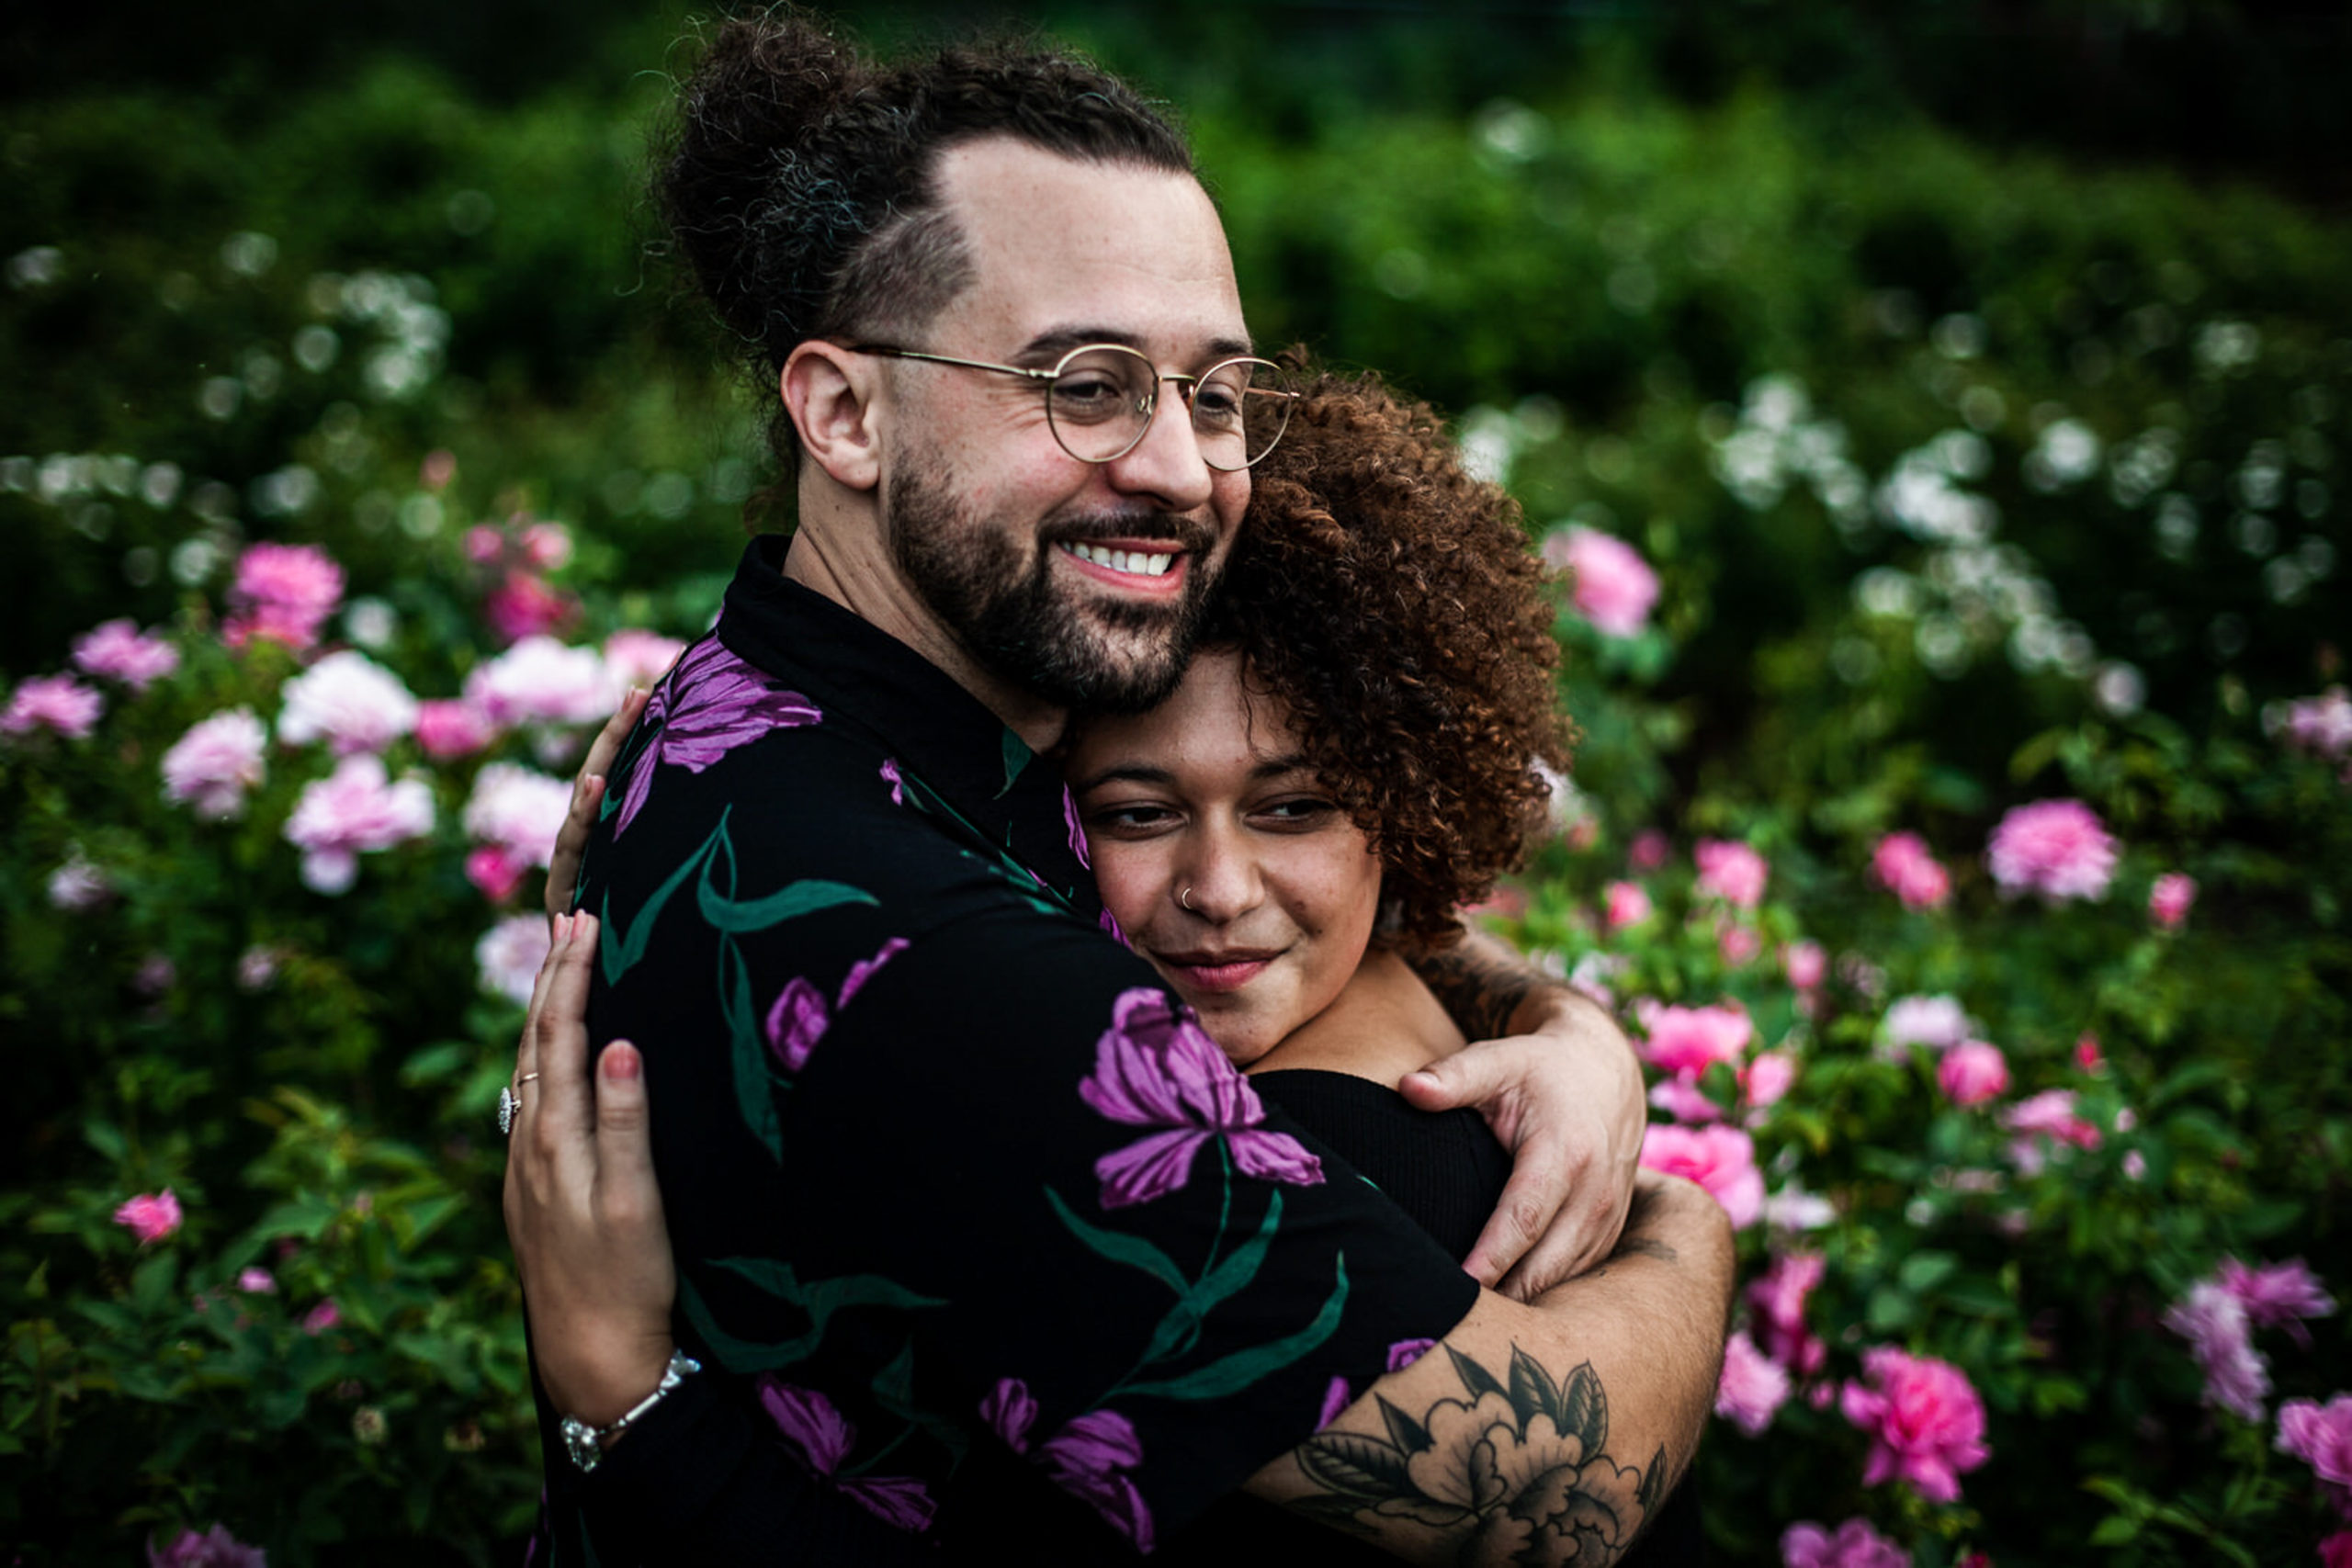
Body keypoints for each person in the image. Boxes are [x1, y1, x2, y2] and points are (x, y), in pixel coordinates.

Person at [501, 13, 1732, 1563]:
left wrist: (1566, 1030)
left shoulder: (758, 709)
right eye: (1085, 385)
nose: (1177, 466)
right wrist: (1686, 1217)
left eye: (1213, 395)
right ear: (845, 412)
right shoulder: (956, 979)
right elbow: (1553, 1498)